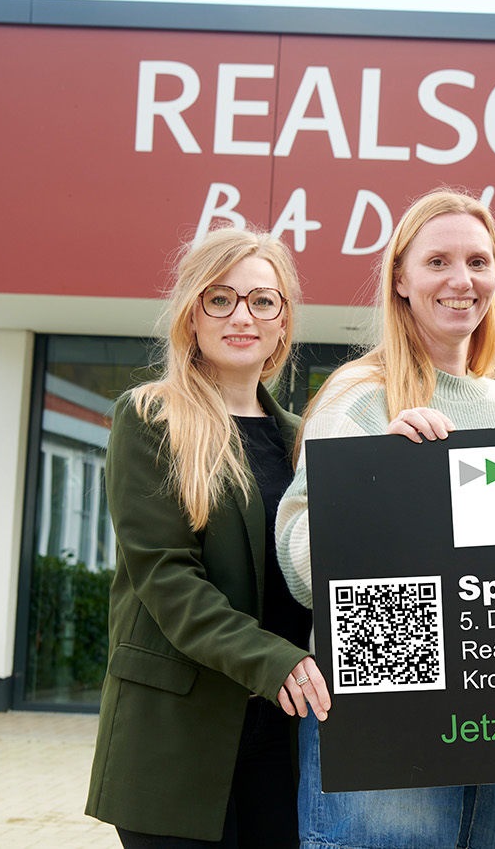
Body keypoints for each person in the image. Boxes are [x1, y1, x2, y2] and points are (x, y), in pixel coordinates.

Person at [275, 189, 495, 849]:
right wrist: (377, 485)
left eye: (478, 261)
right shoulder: (359, 396)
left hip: (492, 720)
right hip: (383, 715)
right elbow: (301, 565)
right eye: (438, 260)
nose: (461, 279)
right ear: (400, 278)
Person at [86, 226, 331, 848]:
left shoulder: (307, 439)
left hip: (284, 732)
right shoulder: (149, 417)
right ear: (191, 315)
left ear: (283, 321)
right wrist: (276, 661)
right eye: (219, 299)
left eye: (262, 300)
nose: (241, 315)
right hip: (176, 734)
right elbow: (167, 579)